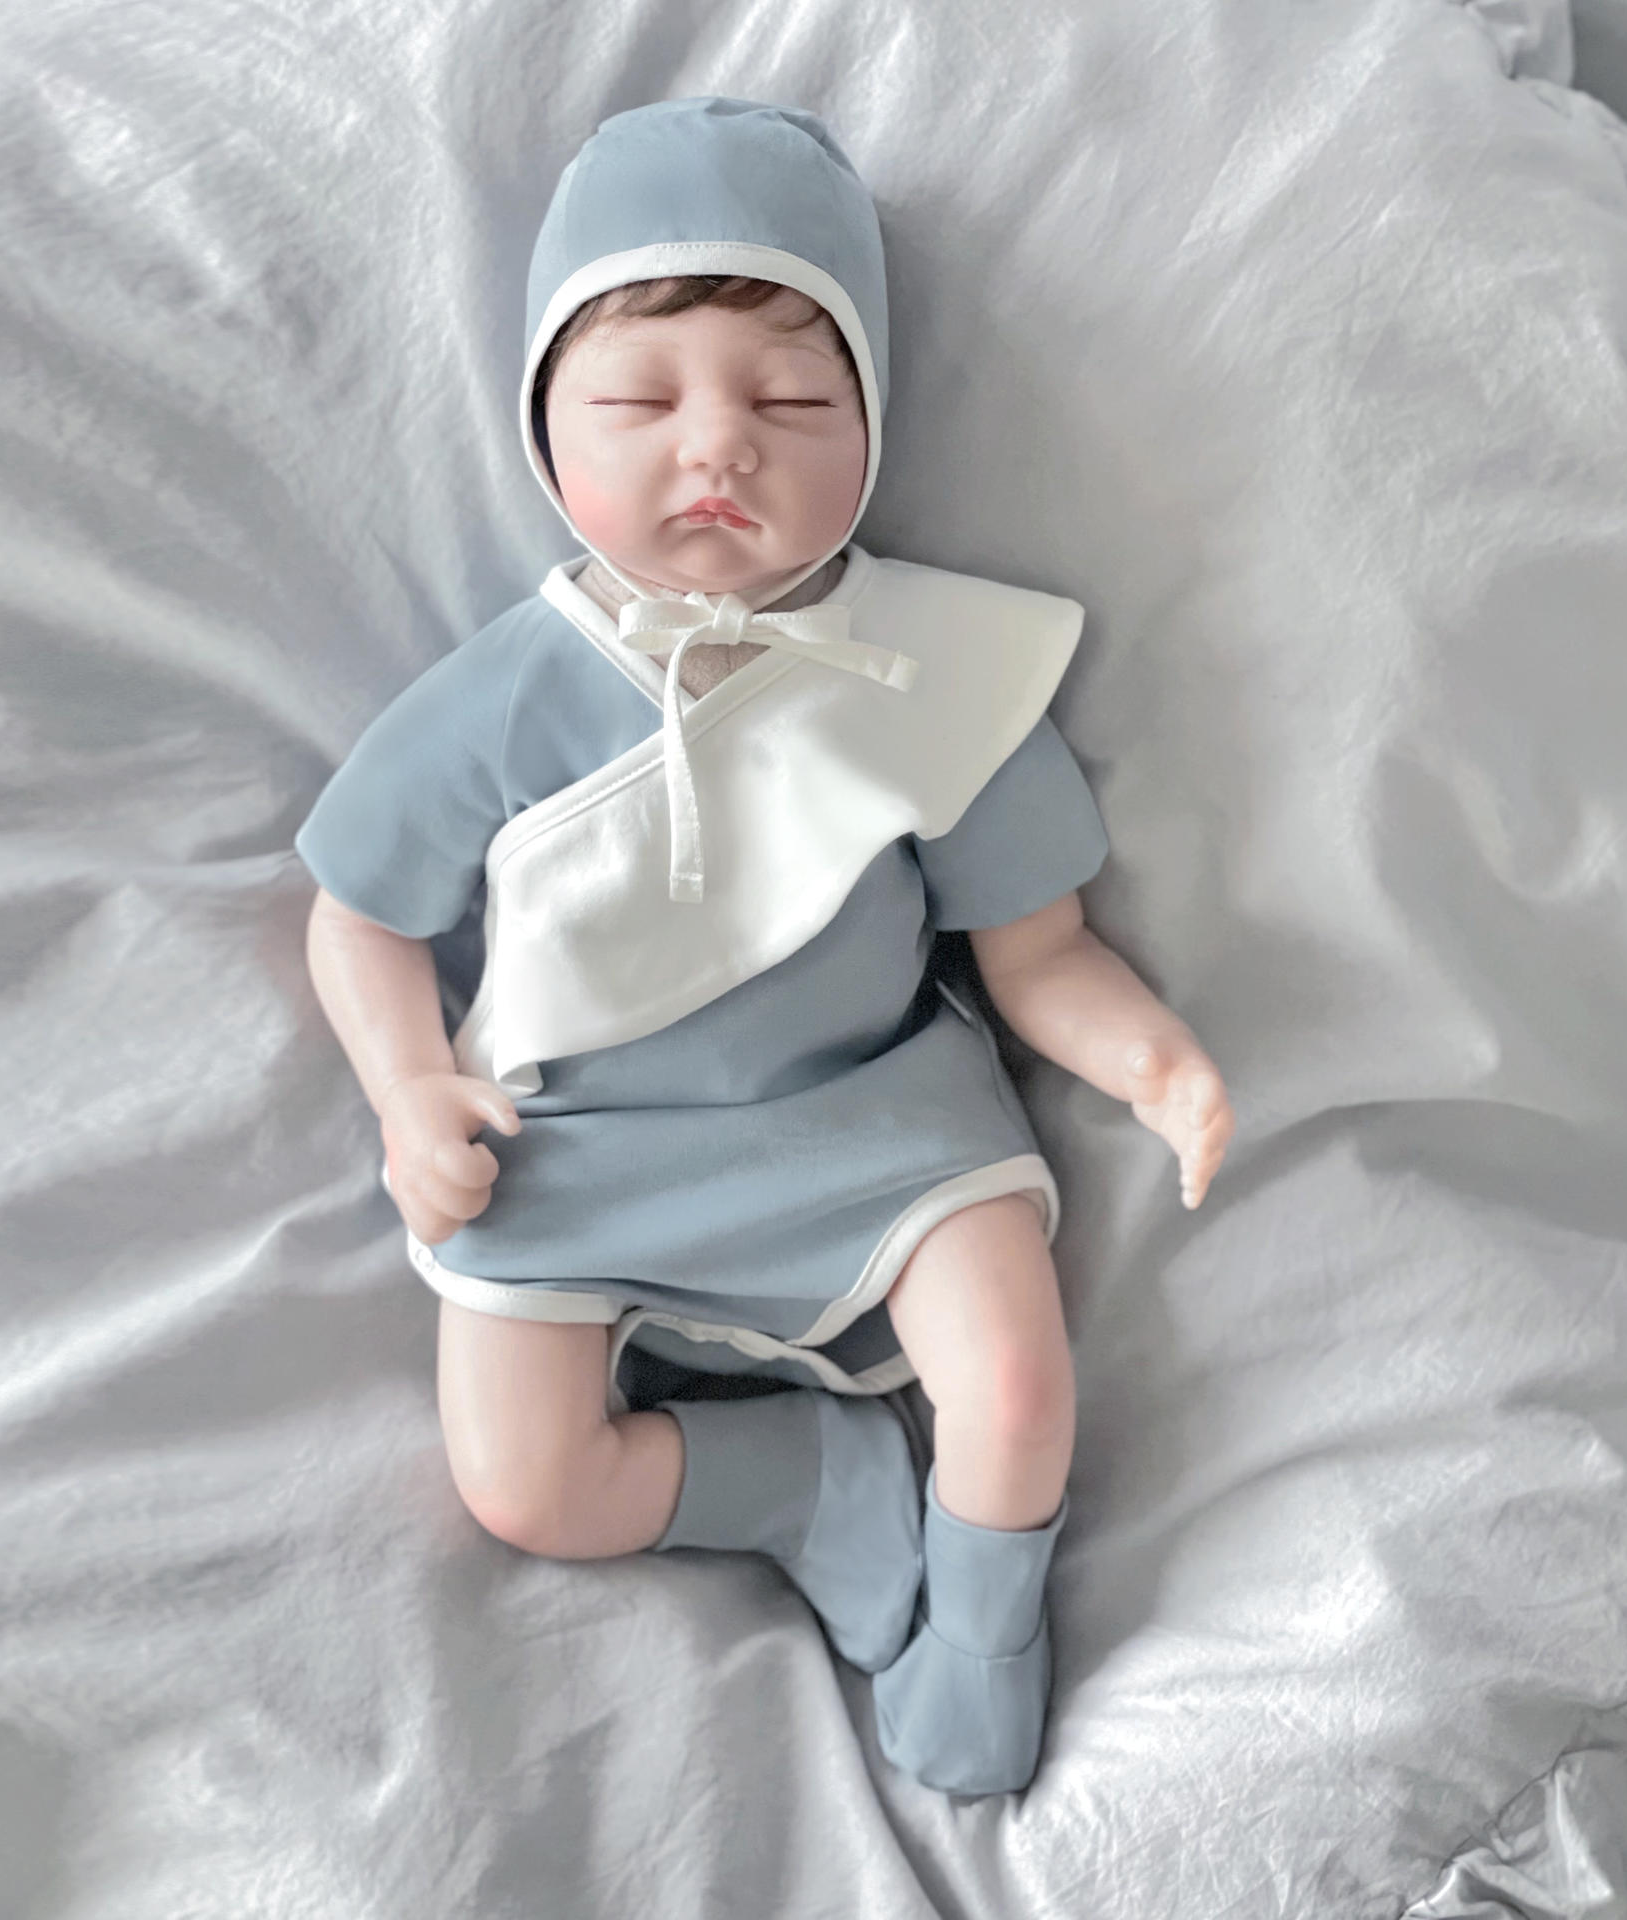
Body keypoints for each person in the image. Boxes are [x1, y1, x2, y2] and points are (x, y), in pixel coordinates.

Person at [296, 96, 1234, 1796]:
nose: (718, 447)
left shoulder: (933, 670)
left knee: (1016, 1384)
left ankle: (988, 1626)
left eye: (792, 402)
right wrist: (408, 1088)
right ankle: (808, 1481)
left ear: (871, 425)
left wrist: (1151, 1059)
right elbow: (361, 912)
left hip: (873, 1119)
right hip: (576, 1142)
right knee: (524, 1483)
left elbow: (1037, 955)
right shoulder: (511, 693)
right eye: (642, 401)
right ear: (546, 431)